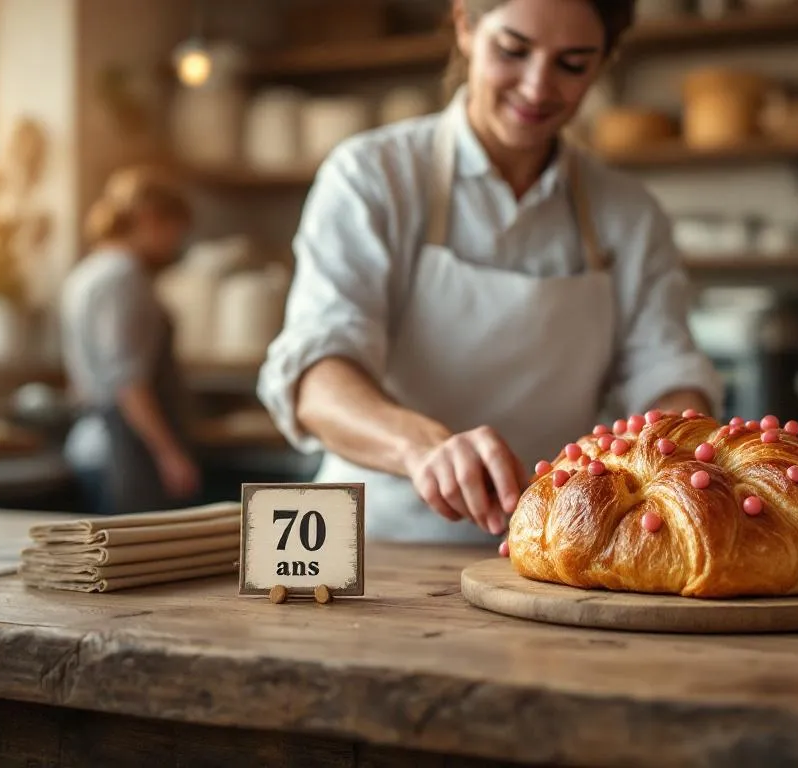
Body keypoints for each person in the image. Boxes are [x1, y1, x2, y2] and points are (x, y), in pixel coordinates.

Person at [258, 0, 722, 543]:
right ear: (466, 27)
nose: (536, 86)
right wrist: (424, 448)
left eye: (571, 64)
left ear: (601, 64)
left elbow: (666, 372)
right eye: (513, 51)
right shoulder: (372, 176)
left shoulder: (627, 213)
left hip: (551, 549)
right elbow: (317, 379)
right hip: (368, 543)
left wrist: (685, 441)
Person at [60, 166, 202, 516]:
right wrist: (169, 453)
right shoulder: (122, 278)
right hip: (125, 450)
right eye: (175, 231)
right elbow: (128, 380)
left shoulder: (87, 273)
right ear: (150, 219)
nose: (175, 244)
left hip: (97, 441)